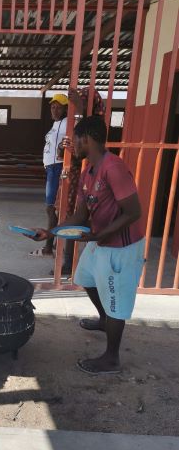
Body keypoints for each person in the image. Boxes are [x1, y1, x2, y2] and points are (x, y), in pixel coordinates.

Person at [27, 116, 144, 375]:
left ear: (86, 139)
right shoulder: (88, 171)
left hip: (121, 247)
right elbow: (80, 216)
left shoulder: (114, 168)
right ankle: (104, 320)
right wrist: (49, 233)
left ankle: (111, 359)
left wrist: (98, 234)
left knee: (116, 301)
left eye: (75, 139)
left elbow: (133, 212)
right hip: (101, 240)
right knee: (86, 279)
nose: (72, 144)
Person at [55, 87, 106, 275]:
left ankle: (87, 264)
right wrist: (64, 147)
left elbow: (89, 149)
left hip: (91, 178)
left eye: (80, 104)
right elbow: (66, 154)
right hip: (76, 178)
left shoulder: (97, 128)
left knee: (92, 221)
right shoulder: (76, 125)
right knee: (74, 218)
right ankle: (70, 263)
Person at [31, 93, 68, 258]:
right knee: (52, 209)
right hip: (51, 168)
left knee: (51, 208)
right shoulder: (56, 123)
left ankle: (48, 247)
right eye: (53, 107)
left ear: (66, 108)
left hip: (57, 168)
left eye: (58, 107)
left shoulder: (68, 123)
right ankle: (52, 244)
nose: (54, 110)